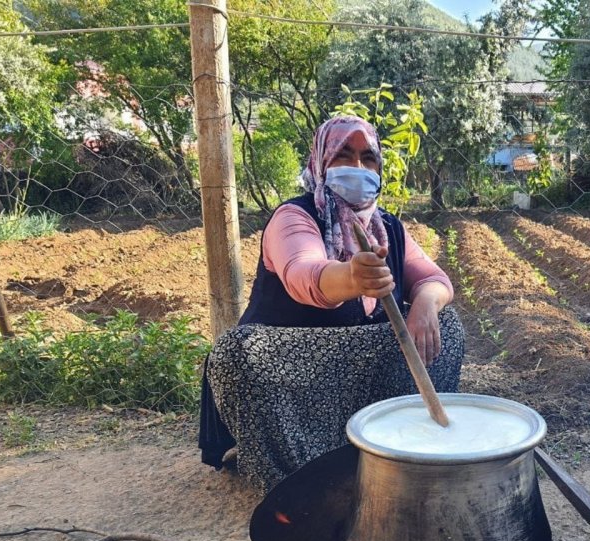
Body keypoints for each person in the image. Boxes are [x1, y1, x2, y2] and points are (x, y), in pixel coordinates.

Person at [199, 115, 464, 491]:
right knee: (237, 352)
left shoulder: (388, 227)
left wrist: (424, 303)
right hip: (296, 379)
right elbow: (303, 273)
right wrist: (352, 278)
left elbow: (435, 280)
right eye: (344, 155)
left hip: (360, 378)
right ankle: (295, 474)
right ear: (321, 162)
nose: (357, 167)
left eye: (367, 157)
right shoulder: (294, 217)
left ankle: (397, 443)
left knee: (447, 325)